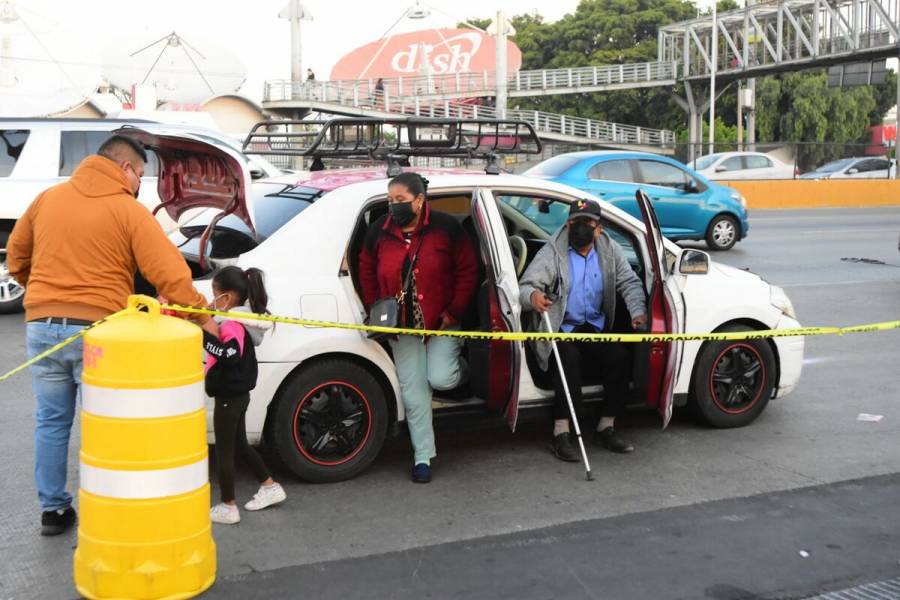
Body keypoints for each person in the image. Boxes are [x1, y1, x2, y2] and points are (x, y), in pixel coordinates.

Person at [6, 134, 214, 536]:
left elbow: (17, 255)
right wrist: (202, 314)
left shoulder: (48, 199)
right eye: (139, 175)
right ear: (124, 169)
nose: (139, 184)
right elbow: (168, 272)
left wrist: (43, 294)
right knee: (104, 423)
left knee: (50, 422)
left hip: (41, 328)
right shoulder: (127, 210)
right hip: (98, 333)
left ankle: (53, 510)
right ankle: (109, 507)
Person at [357, 173, 478, 483]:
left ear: (420, 200)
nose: (394, 206)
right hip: (402, 326)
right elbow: (366, 268)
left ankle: (467, 373)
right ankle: (422, 456)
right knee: (415, 393)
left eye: (401, 200)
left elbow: (468, 270)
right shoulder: (378, 232)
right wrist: (376, 306)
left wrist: (454, 311)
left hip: (443, 320)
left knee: (440, 377)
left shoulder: (446, 228)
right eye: (390, 200)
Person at [518, 199, 647, 462]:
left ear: (598, 229)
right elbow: (525, 286)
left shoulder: (609, 250)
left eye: (587, 223)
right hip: (561, 328)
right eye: (575, 222)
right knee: (568, 360)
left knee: (619, 358)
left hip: (594, 327)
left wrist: (637, 312)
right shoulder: (553, 251)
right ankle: (562, 432)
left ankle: (606, 426)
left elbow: (630, 283)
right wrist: (533, 297)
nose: (580, 229)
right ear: (567, 224)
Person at [203, 266, 285, 525]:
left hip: (230, 395)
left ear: (226, 298)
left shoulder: (233, 324)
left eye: (213, 294)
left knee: (225, 452)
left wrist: (204, 337)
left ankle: (228, 506)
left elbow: (230, 355)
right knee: (239, 444)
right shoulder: (239, 321)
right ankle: (270, 487)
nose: (210, 300)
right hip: (237, 393)